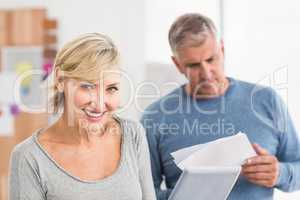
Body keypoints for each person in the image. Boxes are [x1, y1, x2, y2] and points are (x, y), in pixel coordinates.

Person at [141, 13, 300, 200]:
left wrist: (280, 173)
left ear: (222, 49)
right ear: (177, 64)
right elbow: (143, 193)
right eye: (193, 65)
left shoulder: (267, 101)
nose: (206, 74)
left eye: (211, 59)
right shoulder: (155, 117)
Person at [9, 33, 156, 200]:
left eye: (111, 89)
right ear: (60, 79)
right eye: (87, 86)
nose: (100, 105)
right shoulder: (29, 157)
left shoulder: (132, 134)